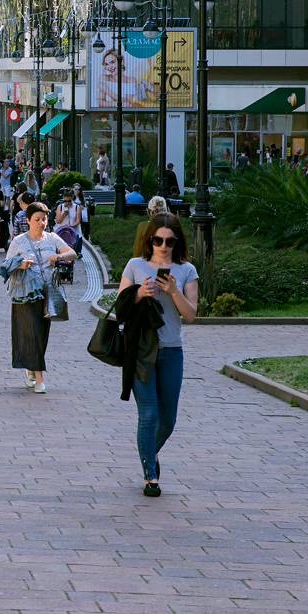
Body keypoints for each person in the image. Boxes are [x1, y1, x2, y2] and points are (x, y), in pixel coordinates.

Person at [117, 213, 198, 497]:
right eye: (157, 240)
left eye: (169, 241)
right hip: (140, 350)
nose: (163, 246)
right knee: (149, 415)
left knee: (167, 421)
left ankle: (148, 452)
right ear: (149, 239)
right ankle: (151, 476)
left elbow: (190, 315)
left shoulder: (186, 269)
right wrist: (139, 293)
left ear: (177, 241)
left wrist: (174, 291)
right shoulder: (136, 265)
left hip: (171, 352)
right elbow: (120, 307)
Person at [5, 202, 76, 393]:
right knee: (33, 332)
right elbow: (6, 264)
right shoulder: (19, 241)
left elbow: (72, 253)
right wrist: (21, 264)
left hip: (47, 292)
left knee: (41, 335)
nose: (41, 223)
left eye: (44, 219)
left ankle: (30, 369)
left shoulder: (52, 238)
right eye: (37, 219)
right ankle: (39, 378)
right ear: (28, 220)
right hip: (26, 293)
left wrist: (58, 256)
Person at [55, 187, 83, 253]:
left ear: (72, 199)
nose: (67, 203)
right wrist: (63, 215)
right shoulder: (60, 207)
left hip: (73, 232)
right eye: (65, 201)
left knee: (72, 251)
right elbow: (58, 221)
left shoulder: (76, 207)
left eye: (69, 201)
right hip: (62, 232)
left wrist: (70, 226)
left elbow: (78, 221)